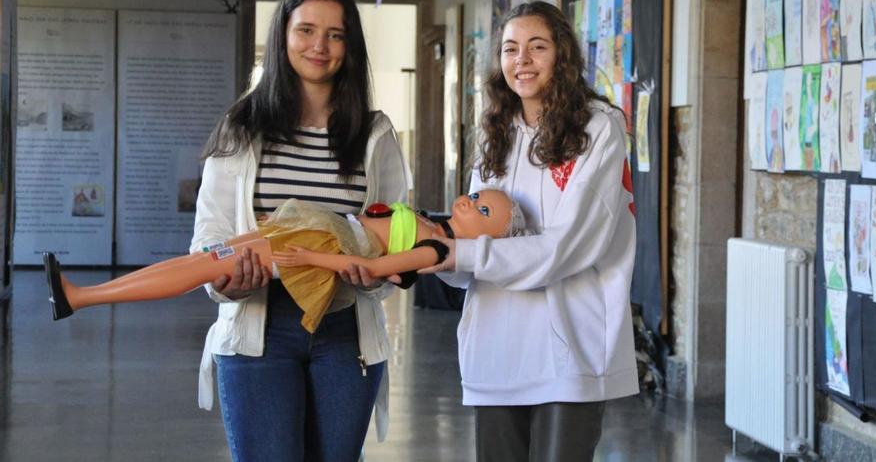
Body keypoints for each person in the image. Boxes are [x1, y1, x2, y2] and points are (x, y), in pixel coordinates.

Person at [191, 0, 406, 462]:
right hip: (259, 327)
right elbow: (211, 233)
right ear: (282, 35)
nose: (319, 46)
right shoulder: (243, 126)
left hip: (345, 331)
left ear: (349, 46)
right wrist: (227, 284)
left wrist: (370, 276)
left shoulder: (374, 135)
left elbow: (397, 239)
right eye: (306, 30)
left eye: (335, 34)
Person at [419, 1, 639, 462]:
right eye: (510, 49)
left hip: (569, 347)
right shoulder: (495, 133)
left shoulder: (599, 127)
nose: (522, 60)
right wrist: (434, 252)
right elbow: (475, 245)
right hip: (496, 346)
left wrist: (458, 254)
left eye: (537, 47)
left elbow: (568, 247)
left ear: (563, 55)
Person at [44, 189, 523, 334]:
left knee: (204, 266)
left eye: (484, 211)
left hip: (319, 248)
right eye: (478, 196)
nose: (471, 201)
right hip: (318, 233)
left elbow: (378, 271)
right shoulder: (434, 225)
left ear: (492, 237)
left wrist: (309, 255)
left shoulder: (438, 251)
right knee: (207, 260)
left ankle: (84, 297)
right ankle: (82, 296)